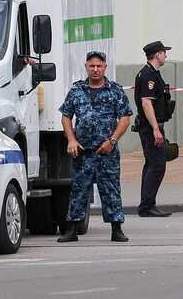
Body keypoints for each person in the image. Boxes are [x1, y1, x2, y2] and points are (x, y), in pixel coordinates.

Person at [57, 51, 132, 243]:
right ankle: (72, 229)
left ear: (105, 67)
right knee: (79, 190)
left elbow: (125, 118)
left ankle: (117, 229)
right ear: (86, 67)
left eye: (99, 66)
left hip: (106, 150)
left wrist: (112, 141)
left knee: (111, 189)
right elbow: (66, 116)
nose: (96, 69)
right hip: (83, 151)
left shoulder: (114, 90)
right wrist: (71, 140)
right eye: (92, 66)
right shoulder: (77, 90)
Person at [134, 41, 174, 217]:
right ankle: (147, 206)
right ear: (157, 54)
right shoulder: (148, 75)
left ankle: (147, 204)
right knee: (157, 165)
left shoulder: (152, 73)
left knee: (152, 164)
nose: (166, 55)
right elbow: (146, 102)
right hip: (151, 127)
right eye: (164, 52)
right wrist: (156, 129)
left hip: (152, 126)